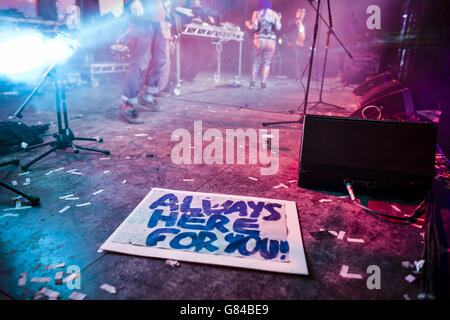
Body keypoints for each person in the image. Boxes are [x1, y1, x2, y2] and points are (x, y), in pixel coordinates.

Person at [119, 0, 172, 124]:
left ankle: (148, 96)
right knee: (140, 61)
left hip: (158, 17)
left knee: (160, 58)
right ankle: (127, 103)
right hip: (142, 16)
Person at [245, 0, 281, 90]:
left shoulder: (257, 13)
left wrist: (248, 25)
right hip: (271, 40)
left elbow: (255, 27)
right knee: (267, 63)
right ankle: (263, 84)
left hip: (259, 40)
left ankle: (252, 84)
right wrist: (278, 19)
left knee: (256, 61)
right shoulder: (274, 14)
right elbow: (278, 28)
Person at [293, 8, 306, 80]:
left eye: (303, 13)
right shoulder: (293, 21)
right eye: (300, 13)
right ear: (297, 13)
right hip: (295, 44)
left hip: (302, 45)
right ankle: (297, 75)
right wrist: (297, 22)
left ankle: (300, 74)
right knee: (296, 60)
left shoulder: (304, 24)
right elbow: (289, 26)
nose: (301, 15)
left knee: (301, 60)